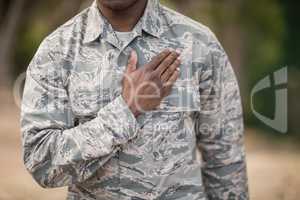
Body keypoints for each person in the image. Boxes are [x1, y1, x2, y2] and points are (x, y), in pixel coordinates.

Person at [20, 0, 249, 199]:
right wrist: (127, 110)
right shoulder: (56, 52)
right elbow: (41, 162)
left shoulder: (200, 45)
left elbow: (225, 162)